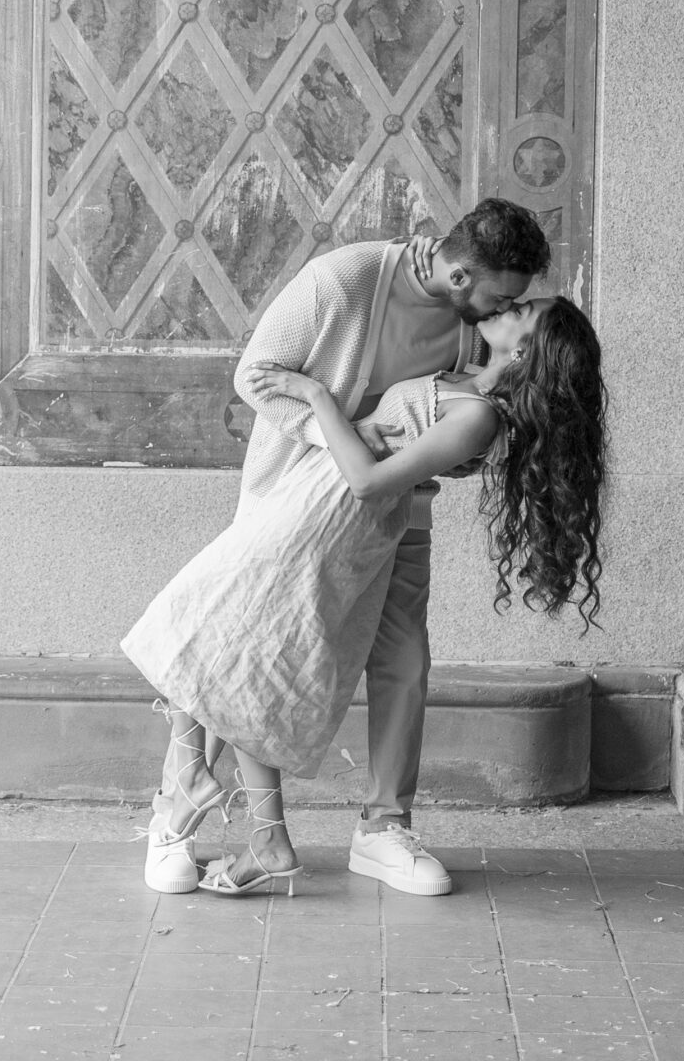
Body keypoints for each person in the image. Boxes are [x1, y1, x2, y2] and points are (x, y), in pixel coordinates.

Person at [122, 204, 604, 896]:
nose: (509, 306)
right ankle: (180, 810)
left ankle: (380, 828)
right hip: (304, 493)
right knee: (229, 634)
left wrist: (432, 450)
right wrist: (338, 431)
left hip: (390, 508)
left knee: (395, 656)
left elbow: (468, 421)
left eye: (515, 305)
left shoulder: (479, 332)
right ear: (461, 271)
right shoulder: (342, 281)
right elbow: (256, 377)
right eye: (502, 298)